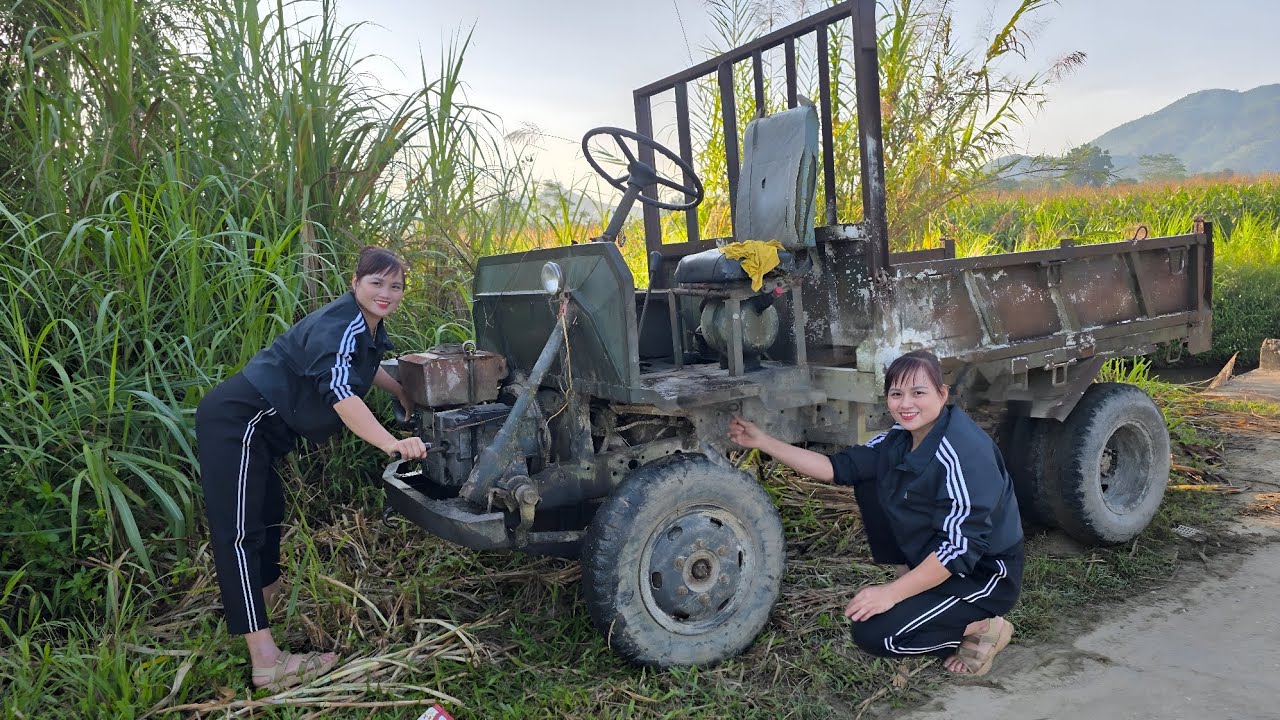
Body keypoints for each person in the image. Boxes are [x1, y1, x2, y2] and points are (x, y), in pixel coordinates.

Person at [195, 246, 429, 691]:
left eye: (395, 286)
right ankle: (266, 662)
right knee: (239, 535)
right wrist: (391, 443)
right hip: (239, 421)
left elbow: (363, 364)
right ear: (354, 282)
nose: (386, 293)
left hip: (262, 432)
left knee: (267, 519)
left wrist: (398, 388)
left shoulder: (366, 326)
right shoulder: (340, 324)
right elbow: (341, 392)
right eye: (376, 282)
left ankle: (254, 617)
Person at [728, 350, 1023, 675]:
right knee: (870, 477)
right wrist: (763, 441)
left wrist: (890, 594)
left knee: (876, 634)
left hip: (983, 575)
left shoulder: (964, 453)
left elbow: (960, 550)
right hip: (943, 559)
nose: (906, 403)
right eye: (897, 394)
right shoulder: (899, 440)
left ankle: (983, 626)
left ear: (943, 394)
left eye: (918, 392)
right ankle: (917, 584)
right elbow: (834, 468)